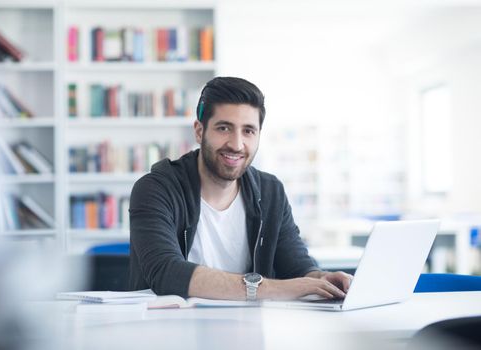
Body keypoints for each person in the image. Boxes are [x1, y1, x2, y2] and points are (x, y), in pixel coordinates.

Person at [129, 77, 352, 301]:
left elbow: (298, 267)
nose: (236, 144)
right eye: (224, 128)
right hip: (170, 330)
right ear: (199, 131)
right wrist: (269, 289)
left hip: (248, 330)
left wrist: (320, 280)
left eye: (248, 131)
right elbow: (166, 273)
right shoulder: (155, 189)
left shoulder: (270, 192)